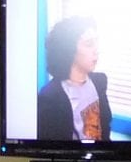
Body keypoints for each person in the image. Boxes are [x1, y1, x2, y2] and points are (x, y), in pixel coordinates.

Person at [34, 15, 112, 143]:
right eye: (89, 44)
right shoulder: (50, 97)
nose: (96, 50)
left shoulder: (99, 82)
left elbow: (105, 128)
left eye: (96, 42)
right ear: (68, 49)